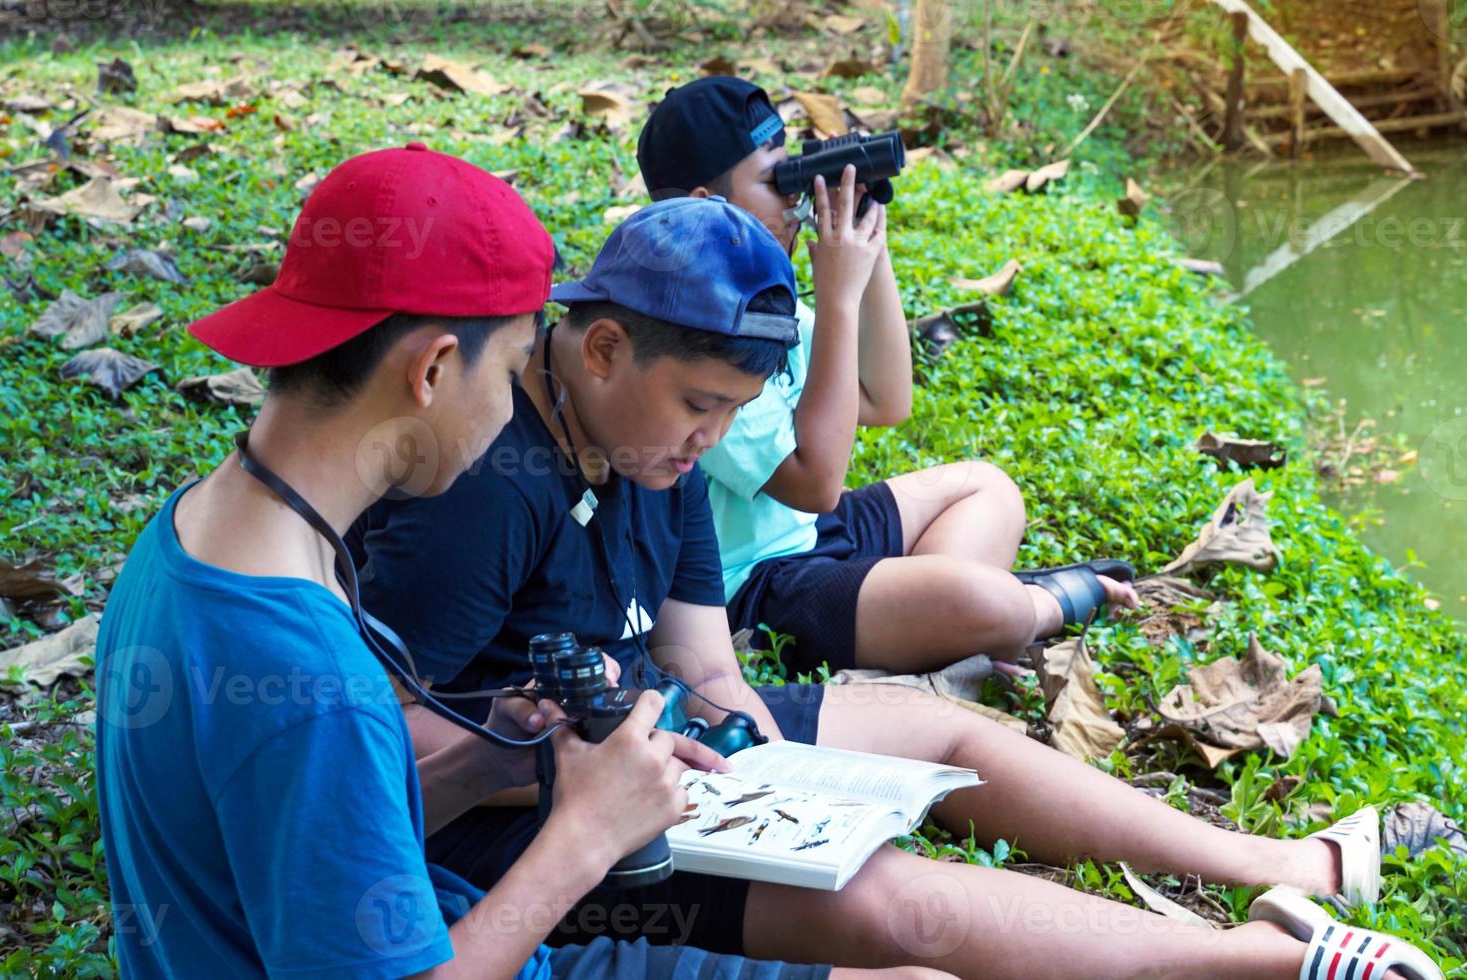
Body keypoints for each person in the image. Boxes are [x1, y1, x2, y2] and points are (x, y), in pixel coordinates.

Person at [353, 195, 1440, 980]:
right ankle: (1256, 961)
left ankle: (1273, 860)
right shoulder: (483, 496)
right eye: (699, 403)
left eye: (735, 409)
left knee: (931, 729)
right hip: (530, 829)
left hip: (654, 748)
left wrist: (766, 772)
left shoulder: (656, 450)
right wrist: (566, 760)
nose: (714, 439)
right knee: (891, 900)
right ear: (599, 349)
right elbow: (377, 763)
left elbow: (704, 661)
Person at [93, 145, 927, 980]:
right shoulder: (309, 675)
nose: (509, 413)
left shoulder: (185, 542)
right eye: (510, 371)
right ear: (432, 370)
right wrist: (586, 834)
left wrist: (487, 752)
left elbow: (322, 835)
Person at [635, 76, 1139, 678]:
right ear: (706, 203)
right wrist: (839, 297)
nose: (798, 199)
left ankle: (934, 619)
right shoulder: (692, 333)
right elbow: (815, 482)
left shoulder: (763, 293)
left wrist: (871, 252)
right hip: (757, 586)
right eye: (777, 182)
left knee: (988, 487)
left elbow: (885, 397)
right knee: (987, 602)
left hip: (818, 534)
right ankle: (1030, 603)